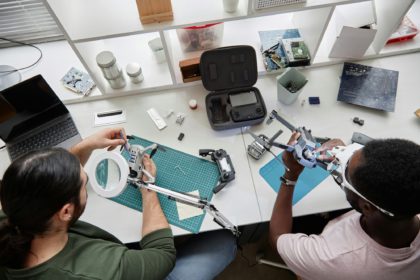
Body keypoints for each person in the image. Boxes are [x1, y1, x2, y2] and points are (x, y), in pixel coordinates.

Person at [0, 128, 236, 279]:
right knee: (224, 241)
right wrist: (147, 188)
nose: (86, 180)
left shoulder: (15, 210)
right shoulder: (98, 270)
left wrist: (86, 146)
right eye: (83, 184)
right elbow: (162, 256)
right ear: (66, 211)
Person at [269, 133, 420, 280]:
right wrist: (350, 158)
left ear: (367, 207)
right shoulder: (407, 200)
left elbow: (278, 238)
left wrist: (290, 175)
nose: (341, 161)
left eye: (346, 170)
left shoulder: (330, 257)